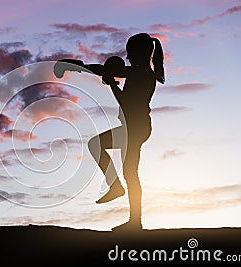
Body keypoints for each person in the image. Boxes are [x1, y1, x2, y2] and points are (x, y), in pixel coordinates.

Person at [54, 33, 165, 229]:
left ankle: (130, 213)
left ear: (138, 53)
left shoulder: (141, 75)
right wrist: (76, 66)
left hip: (135, 128)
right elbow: (103, 70)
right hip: (135, 126)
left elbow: (124, 101)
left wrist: (112, 83)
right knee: (126, 169)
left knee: (124, 168)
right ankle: (123, 200)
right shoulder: (139, 73)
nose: (128, 58)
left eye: (130, 53)